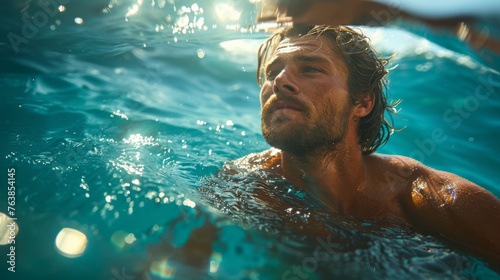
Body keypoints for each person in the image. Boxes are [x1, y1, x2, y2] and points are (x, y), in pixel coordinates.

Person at [231, 25, 500, 269]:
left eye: (311, 68)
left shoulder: (424, 198)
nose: (279, 81)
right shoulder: (244, 186)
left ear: (362, 103)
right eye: (272, 71)